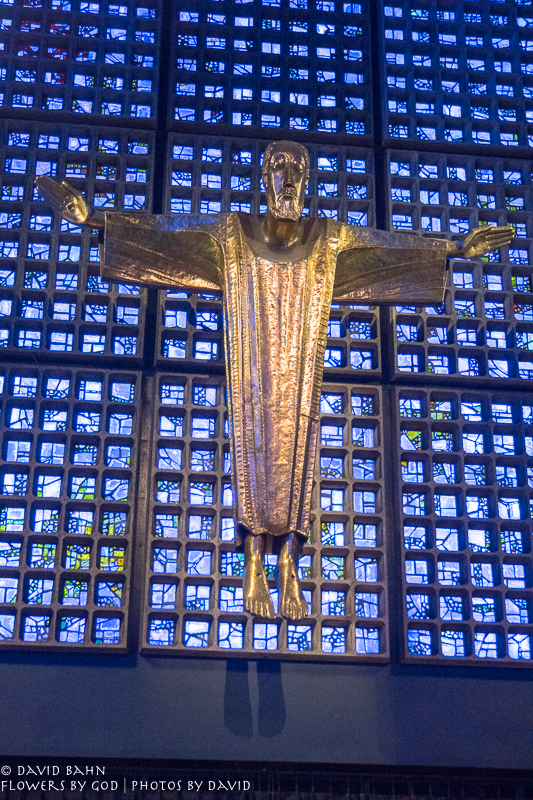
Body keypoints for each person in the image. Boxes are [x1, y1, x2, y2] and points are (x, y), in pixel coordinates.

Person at [35, 141, 514, 620]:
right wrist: (95, 220)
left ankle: (287, 561)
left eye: (297, 171)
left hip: (300, 367)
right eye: (278, 168)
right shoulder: (230, 234)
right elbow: (168, 235)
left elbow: (384, 248)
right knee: (253, 444)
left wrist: (453, 248)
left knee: (299, 441)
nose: (287, 179)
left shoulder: (329, 240)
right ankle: (252, 563)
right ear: (263, 179)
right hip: (252, 364)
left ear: (308, 183)